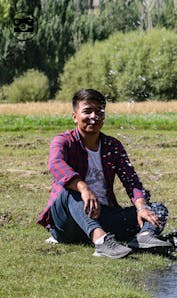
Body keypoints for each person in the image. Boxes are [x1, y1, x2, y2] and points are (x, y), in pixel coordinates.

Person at [37, 89, 170, 259]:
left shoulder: (112, 146)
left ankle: (144, 238)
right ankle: (101, 243)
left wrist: (142, 208)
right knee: (70, 190)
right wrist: (84, 188)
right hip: (68, 224)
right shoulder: (63, 141)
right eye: (87, 111)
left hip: (103, 216)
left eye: (99, 111)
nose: (94, 116)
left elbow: (131, 181)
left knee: (157, 208)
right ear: (74, 116)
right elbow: (56, 165)